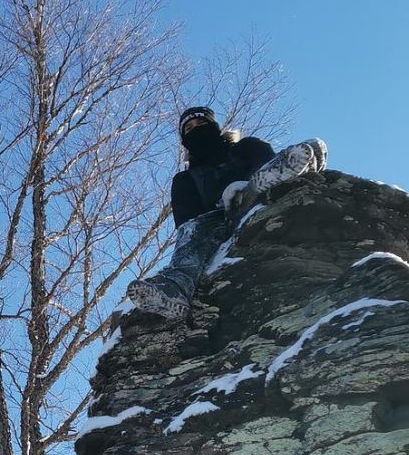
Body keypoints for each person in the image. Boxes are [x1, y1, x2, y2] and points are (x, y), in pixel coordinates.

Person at [127, 107, 327, 319]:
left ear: (214, 127)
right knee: (194, 232)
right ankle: (175, 288)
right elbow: (188, 225)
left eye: (201, 124)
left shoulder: (247, 147)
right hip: (221, 220)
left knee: (313, 146)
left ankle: (278, 177)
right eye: (189, 128)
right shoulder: (186, 180)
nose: (196, 130)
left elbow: (268, 160)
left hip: (259, 193)